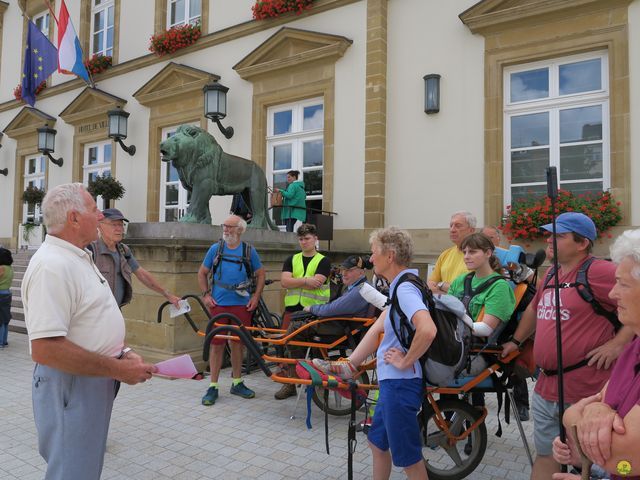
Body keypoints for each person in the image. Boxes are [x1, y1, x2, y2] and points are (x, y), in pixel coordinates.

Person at [22, 183, 156, 480]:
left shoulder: (77, 256)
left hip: (90, 378)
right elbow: (46, 348)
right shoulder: (52, 266)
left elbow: (88, 322)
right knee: (73, 471)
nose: (100, 217)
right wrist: (117, 369)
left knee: (85, 466)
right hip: (72, 382)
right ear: (73, 218)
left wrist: (124, 353)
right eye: (94, 210)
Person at [501, 212, 635, 480]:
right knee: (546, 455)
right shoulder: (551, 273)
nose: (549, 240)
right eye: (548, 235)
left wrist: (620, 343)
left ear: (582, 243)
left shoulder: (599, 271)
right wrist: (515, 341)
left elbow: (636, 301)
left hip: (586, 388)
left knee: (589, 462)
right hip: (545, 386)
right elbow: (534, 309)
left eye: (558, 236)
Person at [314, 226, 436, 479]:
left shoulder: (405, 289)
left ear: (389, 256)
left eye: (373, 253)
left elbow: (428, 329)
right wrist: (351, 364)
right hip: (391, 383)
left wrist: (405, 360)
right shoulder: (399, 285)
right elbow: (380, 324)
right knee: (377, 443)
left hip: (401, 384)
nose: (370, 259)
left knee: (409, 459)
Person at [551, 229, 640, 480]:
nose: (613, 293)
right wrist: (596, 412)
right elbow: (586, 407)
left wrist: (581, 421)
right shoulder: (634, 347)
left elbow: (625, 460)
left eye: (622, 284)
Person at [198, 215, 266, 406]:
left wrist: (255, 297)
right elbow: (202, 273)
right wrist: (205, 295)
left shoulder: (249, 251)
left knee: (238, 344)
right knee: (217, 344)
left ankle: (237, 382)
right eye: (224, 226)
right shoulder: (215, 249)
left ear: (240, 230)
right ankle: (213, 385)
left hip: (242, 306)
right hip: (219, 305)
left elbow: (261, 274)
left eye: (229, 227)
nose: (225, 229)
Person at [274, 223, 331, 400]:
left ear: (315, 239)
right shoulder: (291, 259)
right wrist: (307, 280)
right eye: (301, 239)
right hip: (292, 310)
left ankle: (319, 385)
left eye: (307, 238)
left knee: (316, 349)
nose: (304, 242)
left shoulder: (323, 260)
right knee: (287, 346)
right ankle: (290, 383)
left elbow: (319, 282)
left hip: (314, 312)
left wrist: (296, 280)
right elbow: (284, 282)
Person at [90, 208, 181, 309]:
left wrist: (167, 294)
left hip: (115, 313)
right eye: (114, 224)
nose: (119, 229)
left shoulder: (123, 251)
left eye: (121, 224)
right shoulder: (91, 250)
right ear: (100, 225)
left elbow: (142, 274)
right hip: (94, 315)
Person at [428, 211, 477, 294]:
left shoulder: (479, 256)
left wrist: (441, 285)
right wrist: (447, 293)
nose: (452, 230)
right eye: (451, 225)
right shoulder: (445, 254)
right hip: (442, 305)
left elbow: (473, 289)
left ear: (471, 230)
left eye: (458, 226)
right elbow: (430, 285)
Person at [0, 247, 13, 348]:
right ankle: (4, 341)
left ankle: (1, 342)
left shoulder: (1, 268)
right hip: (7, 293)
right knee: (5, 318)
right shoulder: (10, 268)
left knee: (0, 319)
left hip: (0, 294)